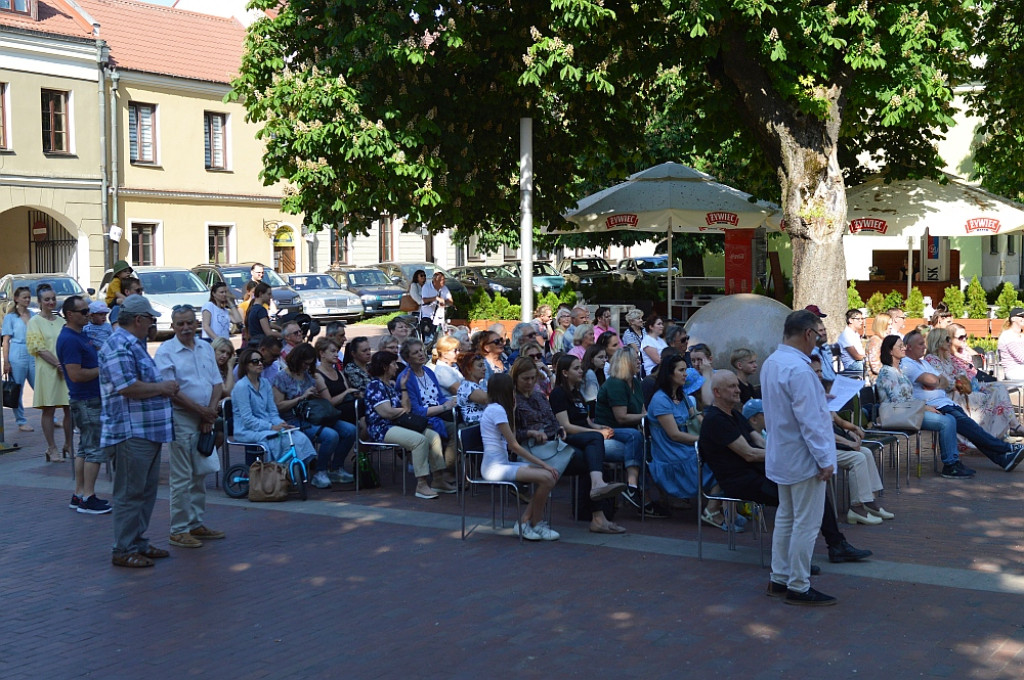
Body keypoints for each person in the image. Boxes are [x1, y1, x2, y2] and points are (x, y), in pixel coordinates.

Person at [699, 370, 872, 592]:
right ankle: (797, 561)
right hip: (740, 481)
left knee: (811, 486)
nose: (738, 390)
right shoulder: (716, 420)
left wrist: (784, 455)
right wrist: (786, 455)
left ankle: (835, 545)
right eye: (731, 387)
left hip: (759, 472)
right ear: (717, 392)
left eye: (737, 385)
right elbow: (749, 454)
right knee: (797, 498)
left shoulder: (734, 414)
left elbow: (759, 442)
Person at [760, 309, 839, 606]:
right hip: (803, 455)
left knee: (787, 518)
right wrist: (824, 459)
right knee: (805, 522)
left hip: (783, 451)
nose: (817, 342)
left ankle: (780, 577)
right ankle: (798, 583)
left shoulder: (772, 362)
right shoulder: (800, 369)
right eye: (817, 336)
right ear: (807, 334)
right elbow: (811, 421)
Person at [100, 296, 179, 568]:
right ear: (138, 319)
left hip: (146, 432)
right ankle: (123, 548)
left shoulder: (131, 344)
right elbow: (127, 387)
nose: (152, 324)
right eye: (150, 319)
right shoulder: (119, 345)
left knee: (144, 493)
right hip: (130, 432)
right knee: (130, 493)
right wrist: (162, 388)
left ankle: (136, 542)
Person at [902, 328, 1024, 473]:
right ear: (909, 347)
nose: (924, 346)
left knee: (973, 430)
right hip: (937, 406)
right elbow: (934, 381)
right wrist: (937, 381)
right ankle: (1006, 448)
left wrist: (938, 381)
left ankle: (1004, 459)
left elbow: (942, 381)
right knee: (972, 429)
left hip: (947, 403)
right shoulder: (908, 363)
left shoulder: (923, 364)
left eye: (924, 343)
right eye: (920, 344)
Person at [154, 307, 225, 548]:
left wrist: (210, 413)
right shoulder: (166, 352)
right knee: (182, 476)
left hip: (205, 418)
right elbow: (171, 391)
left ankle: (195, 523)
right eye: (180, 324)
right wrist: (202, 412)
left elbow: (217, 383)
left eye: (189, 323)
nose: (185, 328)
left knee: (200, 473)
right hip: (182, 418)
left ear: (196, 323)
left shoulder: (205, 347)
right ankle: (179, 529)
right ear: (173, 326)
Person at [647, 354, 733, 526]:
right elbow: (674, 435)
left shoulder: (683, 397)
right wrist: (704, 441)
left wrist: (717, 434)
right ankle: (713, 509)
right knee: (723, 461)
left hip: (686, 448)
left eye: (685, 370)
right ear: (670, 374)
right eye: (681, 370)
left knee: (729, 454)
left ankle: (717, 508)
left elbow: (698, 420)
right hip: (672, 454)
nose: (685, 374)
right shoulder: (660, 400)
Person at [547, 354, 628, 533]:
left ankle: (599, 517)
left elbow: (587, 421)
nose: (581, 371)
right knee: (596, 439)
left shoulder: (577, 393)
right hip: (568, 437)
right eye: (576, 368)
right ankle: (599, 485)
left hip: (585, 437)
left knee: (591, 459)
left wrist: (600, 427)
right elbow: (566, 426)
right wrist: (597, 433)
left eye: (581, 367)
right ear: (565, 373)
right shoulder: (558, 393)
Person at [806, 356, 892, 524]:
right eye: (815, 372)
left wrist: (852, 429)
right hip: (820, 448)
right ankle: (856, 507)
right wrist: (848, 443)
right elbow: (824, 432)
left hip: (831, 443)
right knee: (857, 457)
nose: (820, 375)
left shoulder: (820, 393)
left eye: (820, 371)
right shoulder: (808, 398)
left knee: (866, 452)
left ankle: (869, 501)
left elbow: (836, 420)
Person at [479, 373, 561, 540]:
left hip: (501, 464)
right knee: (547, 476)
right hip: (494, 469)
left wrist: (513, 410)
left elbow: (512, 438)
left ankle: (531, 523)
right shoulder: (497, 410)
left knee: (550, 478)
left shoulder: (498, 409)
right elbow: (514, 446)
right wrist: (544, 464)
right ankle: (529, 523)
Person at [875, 334, 966, 478]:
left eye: (903, 345)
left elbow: (909, 397)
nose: (904, 349)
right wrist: (924, 407)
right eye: (900, 347)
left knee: (949, 418)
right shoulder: (887, 373)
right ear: (890, 351)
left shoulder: (899, 371)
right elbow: (898, 400)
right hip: (898, 414)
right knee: (946, 421)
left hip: (909, 411)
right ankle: (950, 465)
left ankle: (953, 462)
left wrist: (922, 406)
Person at [364, 350, 451, 499]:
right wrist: (402, 410)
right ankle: (421, 484)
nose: (396, 367)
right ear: (385, 367)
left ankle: (438, 479)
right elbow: (386, 413)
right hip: (383, 428)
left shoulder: (390, 385)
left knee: (433, 436)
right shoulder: (375, 386)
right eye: (392, 364)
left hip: (398, 424)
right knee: (419, 441)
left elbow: (407, 408)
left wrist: (403, 387)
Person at [272, 343, 358, 488]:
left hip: (313, 415)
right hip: (293, 420)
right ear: (297, 360)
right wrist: (301, 398)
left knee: (351, 430)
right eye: (305, 364)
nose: (307, 367)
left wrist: (314, 396)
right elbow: (278, 406)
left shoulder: (308, 376)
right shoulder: (282, 377)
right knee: (330, 436)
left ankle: (336, 467)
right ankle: (320, 471)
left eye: (310, 364)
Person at [56, 295, 111, 515]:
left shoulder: (80, 335)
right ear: (70, 315)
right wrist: (103, 370)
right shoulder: (69, 339)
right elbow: (76, 374)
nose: (88, 314)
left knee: (84, 449)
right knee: (94, 449)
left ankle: (79, 494)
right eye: (83, 311)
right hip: (86, 399)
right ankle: (88, 497)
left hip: (87, 398)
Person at [926, 327, 1023, 440]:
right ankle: (988, 436)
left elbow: (967, 370)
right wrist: (961, 380)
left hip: (966, 386)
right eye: (947, 339)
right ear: (938, 341)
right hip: (951, 393)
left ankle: (1010, 427)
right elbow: (944, 382)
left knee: (999, 387)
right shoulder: (932, 359)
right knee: (985, 397)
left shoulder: (947, 358)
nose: (950, 341)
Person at [230, 346, 318, 468]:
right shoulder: (241, 387)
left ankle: (288, 472)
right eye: (255, 362)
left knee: (299, 437)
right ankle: (278, 471)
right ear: (246, 365)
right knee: (282, 440)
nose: (260, 364)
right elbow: (247, 419)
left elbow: (272, 412)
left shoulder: (265, 383)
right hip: (247, 430)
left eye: (261, 360)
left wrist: (282, 424)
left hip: (266, 426)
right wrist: (272, 427)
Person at [595, 347, 657, 516]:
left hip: (627, 433)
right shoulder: (615, 384)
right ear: (625, 363)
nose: (639, 361)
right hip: (609, 431)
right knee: (635, 437)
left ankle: (643, 497)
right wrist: (647, 417)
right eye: (635, 359)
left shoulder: (636, 382)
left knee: (647, 446)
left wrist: (647, 416)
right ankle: (633, 486)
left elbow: (643, 410)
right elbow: (621, 417)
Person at [397, 339, 459, 486]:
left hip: (438, 414)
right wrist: (445, 407)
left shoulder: (429, 372)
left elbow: (440, 397)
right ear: (407, 358)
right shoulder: (406, 378)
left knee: (463, 427)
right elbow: (416, 411)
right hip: (421, 420)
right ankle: (445, 473)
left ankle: (447, 471)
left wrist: (451, 402)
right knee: (453, 432)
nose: (420, 354)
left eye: (421, 350)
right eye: (415, 352)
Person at [26, 284, 71, 462]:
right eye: (47, 299)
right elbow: (39, 348)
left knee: (70, 408)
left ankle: (68, 444)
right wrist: (57, 364)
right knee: (49, 409)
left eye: (53, 298)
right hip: (48, 370)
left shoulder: (61, 321)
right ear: (40, 302)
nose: (51, 302)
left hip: (66, 369)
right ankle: (52, 448)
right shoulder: (34, 322)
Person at [2, 286, 35, 432]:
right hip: (18, 352)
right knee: (17, 388)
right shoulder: (10, 317)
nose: (27, 300)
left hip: (33, 352)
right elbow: (5, 340)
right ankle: (21, 420)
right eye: (24, 297)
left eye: (28, 297)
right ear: (16, 299)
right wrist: (6, 361)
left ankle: (51, 416)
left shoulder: (33, 314)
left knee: (40, 385)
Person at [455, 351, 489, 424]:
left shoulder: (476, 385)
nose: (484, 369)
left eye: (484, 365)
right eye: (480, 366)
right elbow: (488, 399)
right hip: (476, 427)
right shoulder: (467, 386)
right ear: (469, 370)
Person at [998, 307, 1024, 380]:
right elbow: (1021, 357)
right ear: (1013, 319)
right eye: (1021, 316)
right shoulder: (1007, 336)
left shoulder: (1021, 335)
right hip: (1013, 371)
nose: (1023, 318)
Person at [865, 313, 891, 382]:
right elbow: (875, 367)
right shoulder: (875, 341)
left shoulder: (882, 340)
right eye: (889, 324)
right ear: (882, 325)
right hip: (878, 379)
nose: (891, 327)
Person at [838, 308, 866, 373]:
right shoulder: (846, 335)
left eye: (862, 319)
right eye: (858, 319)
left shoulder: (855, 334)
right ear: (850, 320)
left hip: (859, 363)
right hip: (852, 366)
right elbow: (856, 356)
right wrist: (867, 358)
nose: (861, 321)